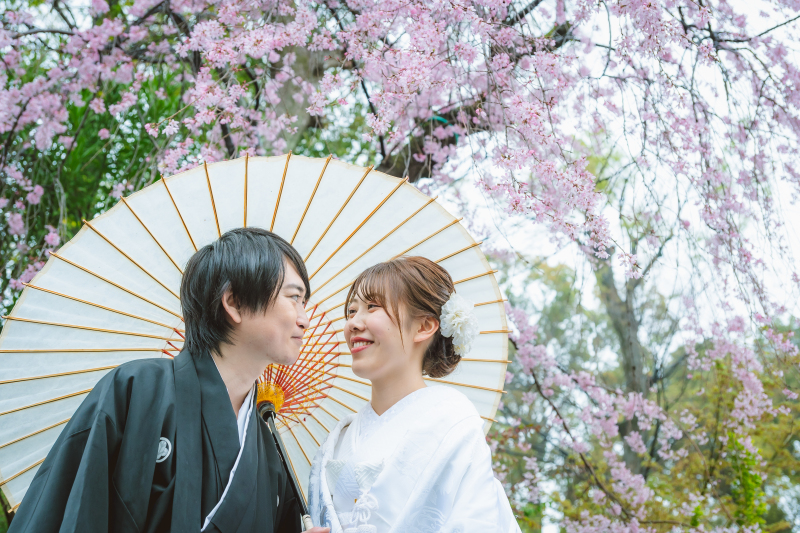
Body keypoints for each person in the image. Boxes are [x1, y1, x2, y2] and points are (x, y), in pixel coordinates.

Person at [9, 228, 330, 533]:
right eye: (293, 297)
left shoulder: (267, 446)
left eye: (304, 302)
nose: (304, 318)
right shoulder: (136, 391)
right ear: (234, 302)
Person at [308, 256, 521, 533]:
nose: (353, 324)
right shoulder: (338, 438)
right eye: (350, 311)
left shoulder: (451, 422)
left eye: (372, 307)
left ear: (424, 326)